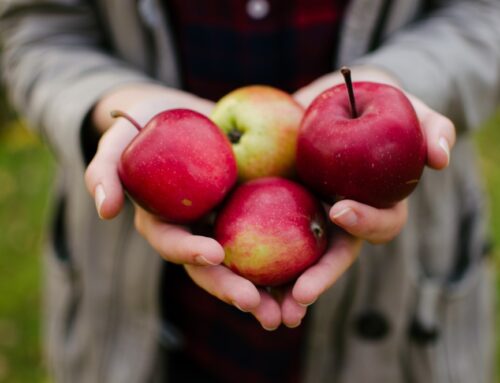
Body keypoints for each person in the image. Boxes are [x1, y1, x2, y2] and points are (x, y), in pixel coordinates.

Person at [1, 0, 499, 382]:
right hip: (148, 309)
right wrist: (111, 101)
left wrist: (398, 82)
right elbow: (35, 28)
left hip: (397, 300)